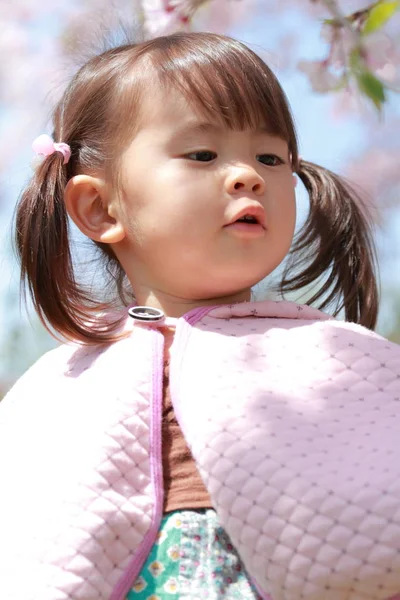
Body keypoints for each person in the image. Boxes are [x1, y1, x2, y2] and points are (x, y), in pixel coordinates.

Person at [1, 31, 400, 600]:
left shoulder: (345, 355)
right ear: (98, 206)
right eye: (203, 155)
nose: (248, 175)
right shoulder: (54, 387)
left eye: (271, 157)